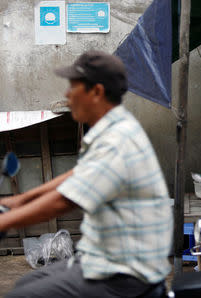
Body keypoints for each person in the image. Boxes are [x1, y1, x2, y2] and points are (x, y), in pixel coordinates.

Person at [1, 51, 173, 297]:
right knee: (25, 285)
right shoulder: (110, 128)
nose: (66, 94)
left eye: (74, 86)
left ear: (96, 92)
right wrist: (16, 201)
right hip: (100, 257)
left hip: (124, 272)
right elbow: (77, 175)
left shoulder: (118, 139)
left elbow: (66, 200)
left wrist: (6, 221)